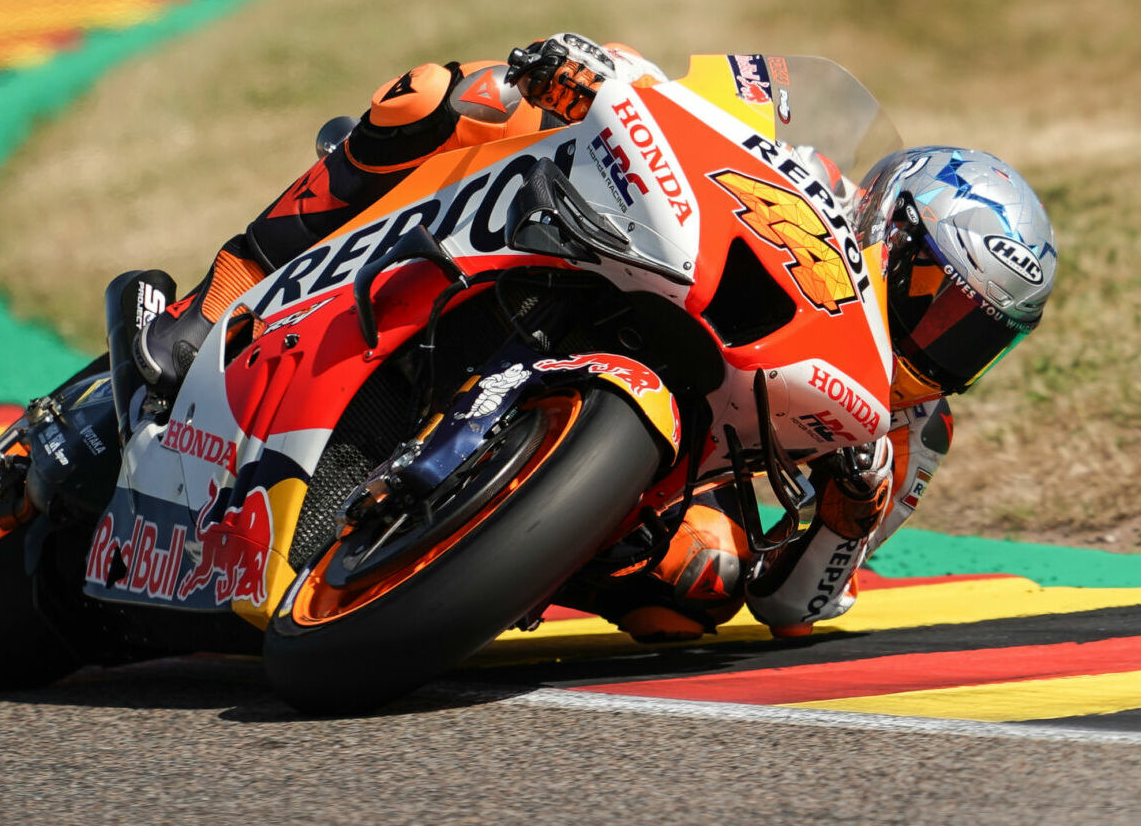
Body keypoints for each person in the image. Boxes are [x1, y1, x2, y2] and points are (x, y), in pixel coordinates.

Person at [132, 33, 1059, 642]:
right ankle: (217, 298)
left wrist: (846, 525)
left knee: (701, 583)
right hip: (605, 252)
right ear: (889, 233)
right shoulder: (807, 181)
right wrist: (593, 65)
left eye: (977, 338)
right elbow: (692, 94)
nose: (944, 349)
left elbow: (791, 605)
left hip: (660, 469)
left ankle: (484, 554)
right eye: (939, 305)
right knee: (439, 95)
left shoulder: (914, 432)